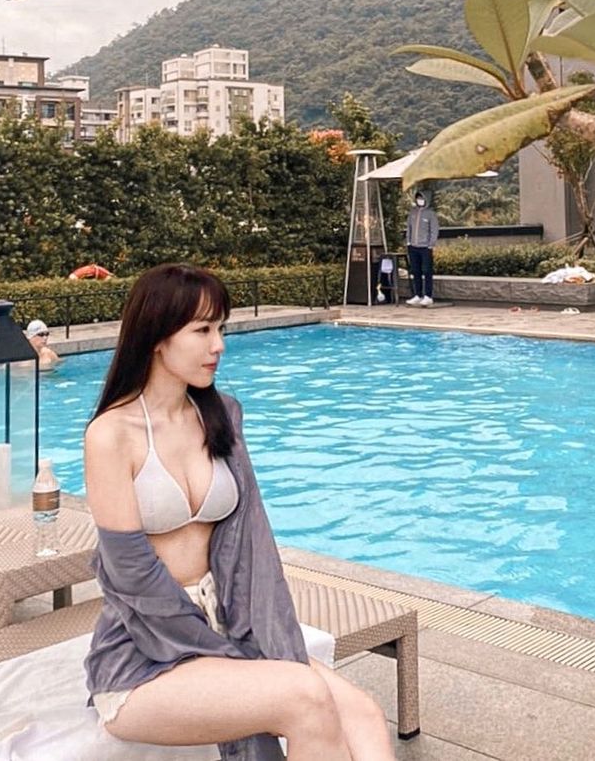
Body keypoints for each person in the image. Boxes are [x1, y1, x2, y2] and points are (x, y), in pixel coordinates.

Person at [83, 262, 394, 761]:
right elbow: (129, 572)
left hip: (230, 621)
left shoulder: (221, 415)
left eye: (221, 329)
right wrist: (224, 651)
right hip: (145, 650)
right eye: (203, 330)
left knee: (363, 713)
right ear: (157, 337)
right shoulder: (111, 435)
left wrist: (261, 639)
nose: (219, 345)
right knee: (304, 698)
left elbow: (253, 547)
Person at [405, 188, 439, 306]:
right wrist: (408, 242)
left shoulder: (430, 214)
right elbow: (409, 228)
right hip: (413, 246)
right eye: (418, 198)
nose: (420, 200)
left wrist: (431, 244)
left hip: (425, 247)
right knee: (416, 271)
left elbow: (434, 230)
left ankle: (428, 296)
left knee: (427, 271)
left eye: (422, 198)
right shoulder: (412, 212)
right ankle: (418, 295)